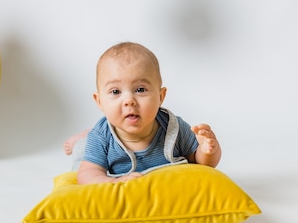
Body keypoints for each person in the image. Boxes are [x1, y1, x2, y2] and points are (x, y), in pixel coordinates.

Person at [64, 42, 221, 185]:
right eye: (115, 91)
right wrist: (112, 182)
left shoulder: (174, 128)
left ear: (160, 97)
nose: (129, 100)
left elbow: (198, 162)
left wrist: (207, 151)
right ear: (99, 102)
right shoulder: (100, 137)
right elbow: (87, 174)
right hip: (94, 141)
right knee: (82, 149)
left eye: (140, 89)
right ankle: (82, 137)